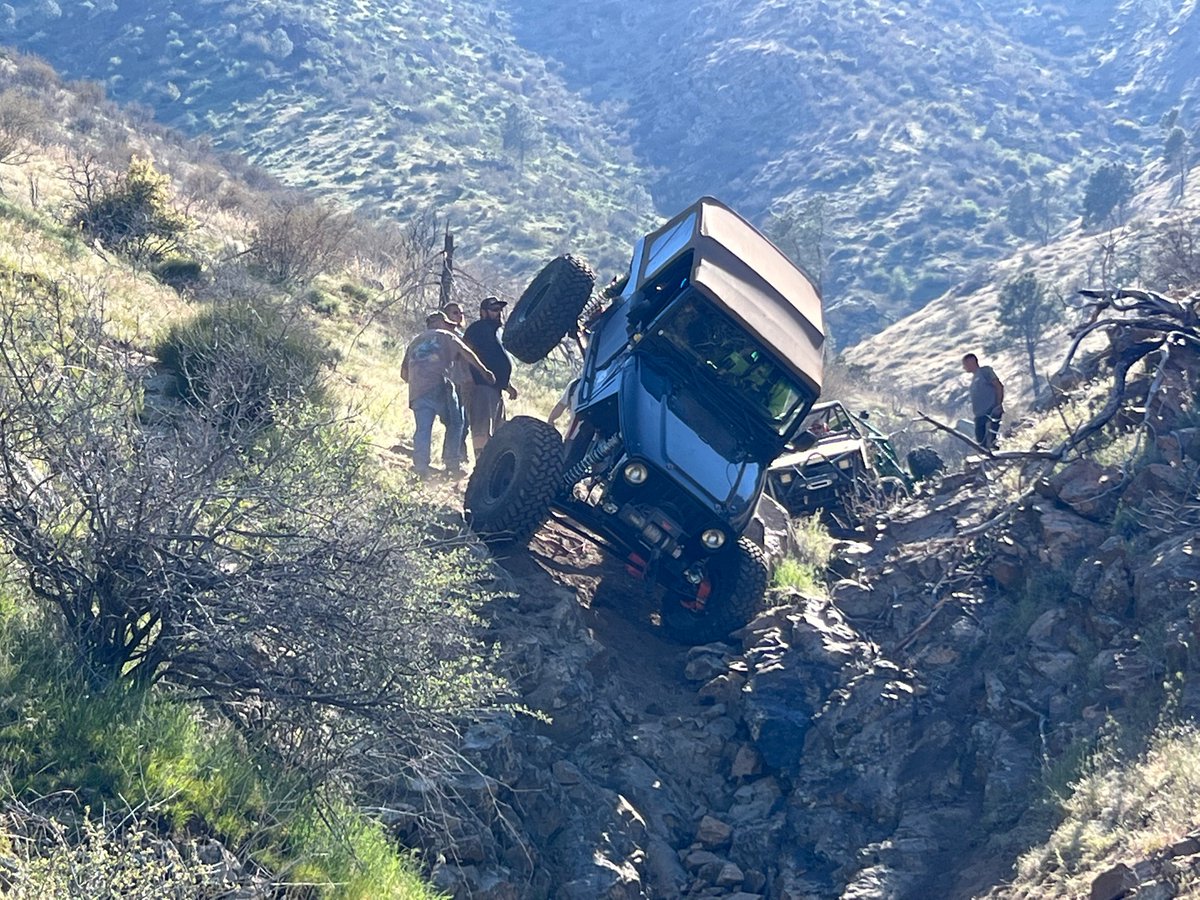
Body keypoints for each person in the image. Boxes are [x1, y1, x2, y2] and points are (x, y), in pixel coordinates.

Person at [401, 311, 495, 478]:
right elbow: (466, 352)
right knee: (456, 422)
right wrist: (484, 370)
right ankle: (451, 464)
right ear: (439, 323)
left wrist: (419, 380)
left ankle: (420, 467)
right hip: (440, 385)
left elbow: (403, 373)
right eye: (445, 323)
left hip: (417, 391)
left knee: (423, 428)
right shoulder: (445, 336)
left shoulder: (415, 341)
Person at [463, 296, 518, 456]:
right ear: (483, 312)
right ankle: (480, 462)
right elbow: (466, 354)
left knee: (499, 431)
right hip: (481, 387)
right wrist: (469, 380)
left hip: (496, 389)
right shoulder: (477, 329)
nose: (498, 313)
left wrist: (507, 385)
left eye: (500, 310)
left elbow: (494, 360)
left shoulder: (496, 333)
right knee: (481, 428)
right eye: (494, 310)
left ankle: (491, 463)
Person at [441, 301, 471, 462]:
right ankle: (451, 458)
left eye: (460, 313)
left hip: (462, 383)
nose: (459, 316)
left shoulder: (461, 335)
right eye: (455, 313)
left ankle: (458, 455)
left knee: (463, 423)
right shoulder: (445, 336)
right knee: (456, 422)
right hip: (449, 383)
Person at [962, 352, 1005, 450]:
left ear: (971, 362)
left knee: (990, 441)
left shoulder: (985, 372)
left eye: (965, 364)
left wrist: (998, 405)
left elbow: (998, 386)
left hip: (990, 412)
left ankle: (996, 460)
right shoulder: (975, 377)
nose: (964, 367)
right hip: (980, 415)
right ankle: (988, 462)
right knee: (981, 444)